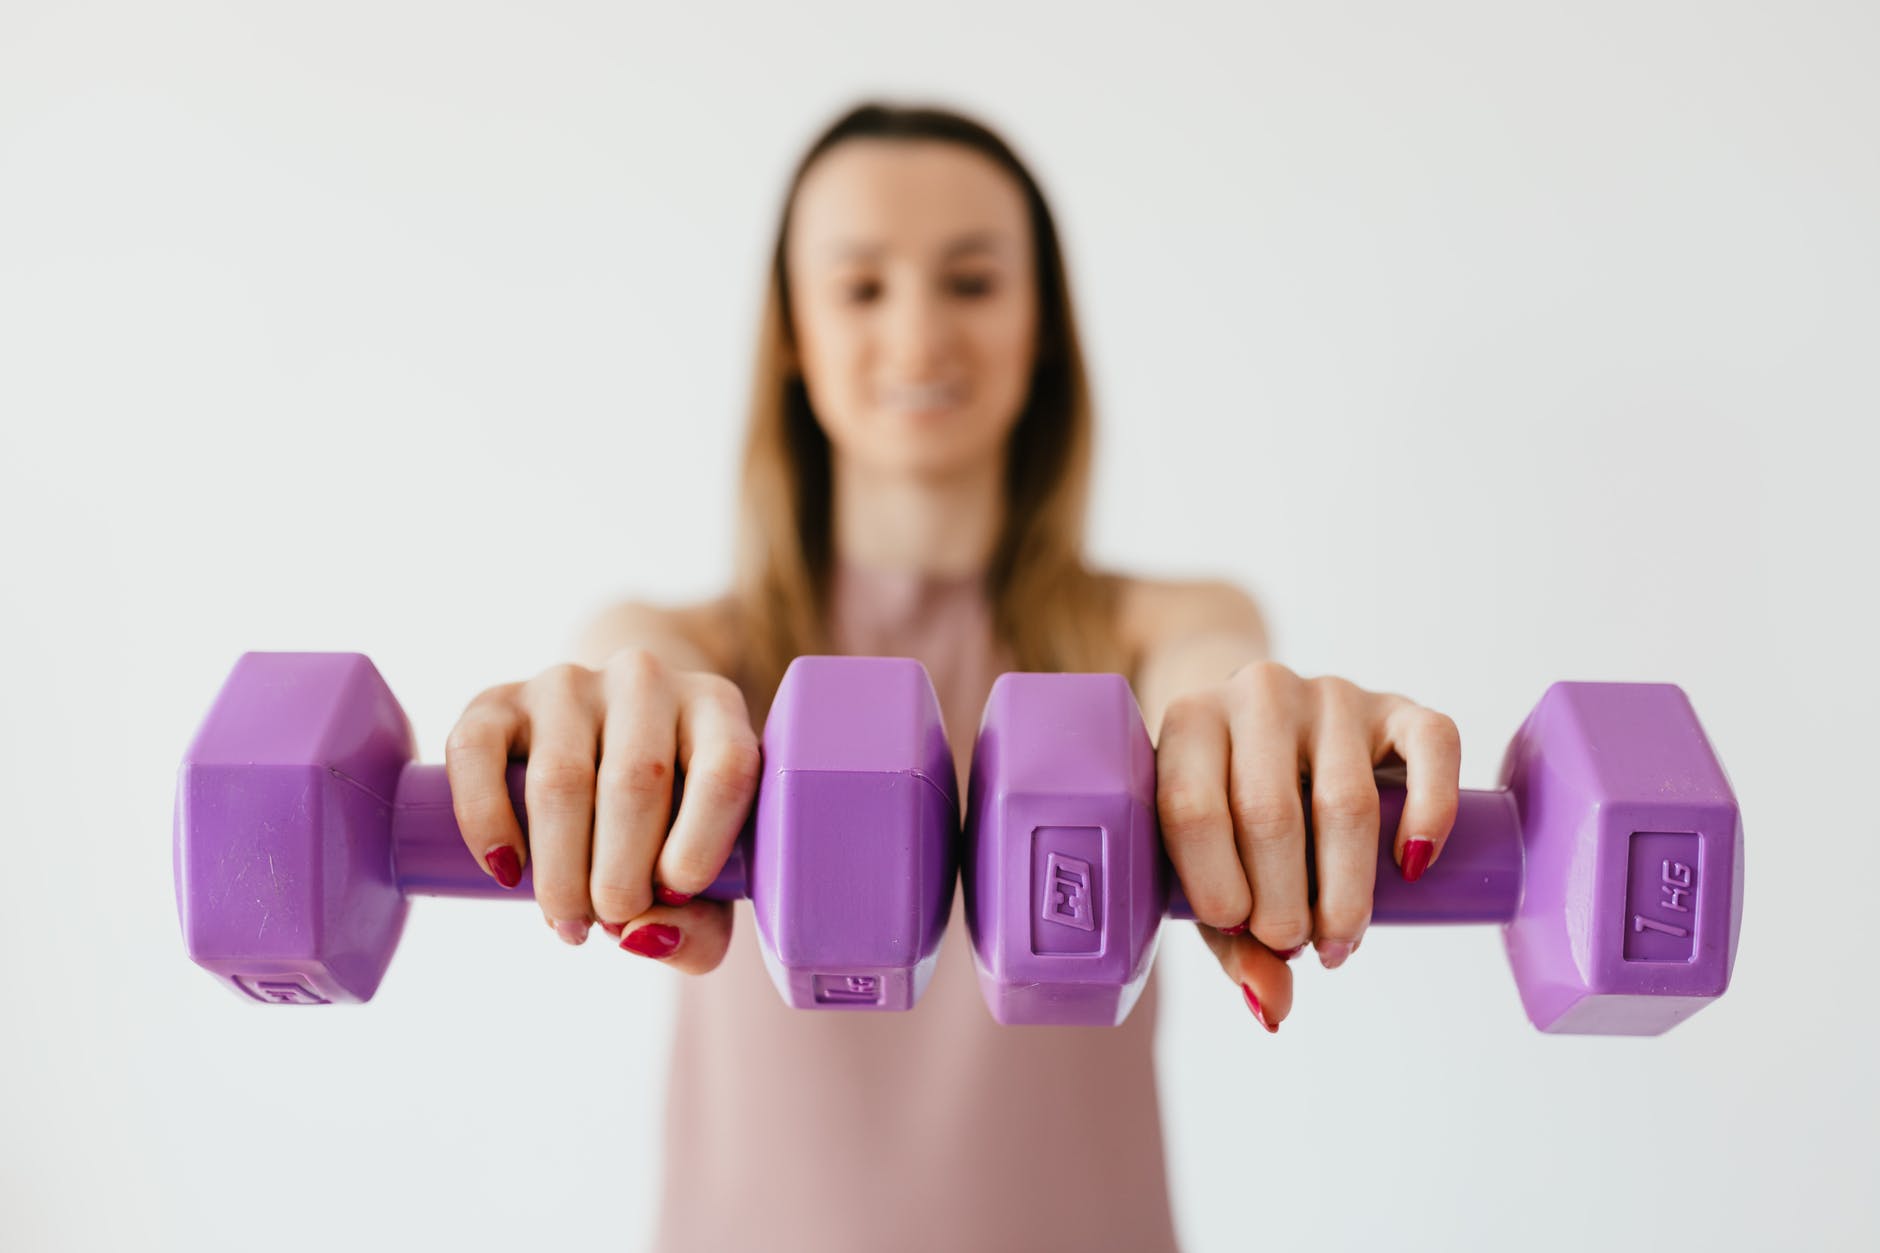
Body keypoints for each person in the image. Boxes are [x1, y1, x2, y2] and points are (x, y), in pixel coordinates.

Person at [444, 102, 1463, 1253]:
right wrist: (611, 724)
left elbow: (1212, 688)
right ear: (793, 335)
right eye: (862, 286)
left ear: (1039, 328)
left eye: (972, 282)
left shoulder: (1165, 629)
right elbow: (636, 676)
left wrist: (1251, 733)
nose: (921, 333)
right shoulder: (691, 652)